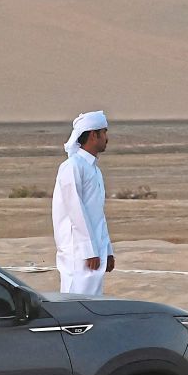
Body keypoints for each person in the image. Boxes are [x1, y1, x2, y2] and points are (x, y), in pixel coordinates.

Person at [52, 110, 116, 294]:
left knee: (92, 305)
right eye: (104, 133)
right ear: (93, 135)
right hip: (78, 252)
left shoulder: (94, 170)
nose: (107, 138)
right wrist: (89, 251)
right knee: (75, 304)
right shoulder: (72, 167)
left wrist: (107, 250)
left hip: (95, 252)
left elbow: (97, 214)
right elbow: (75, 211)